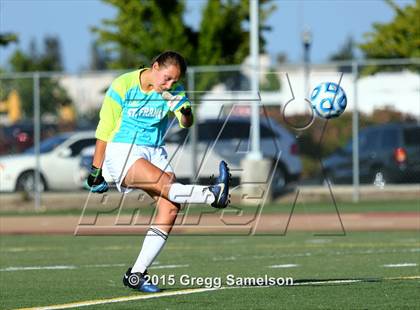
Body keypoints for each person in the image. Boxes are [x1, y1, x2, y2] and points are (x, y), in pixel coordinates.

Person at [86, 51, 231, 293]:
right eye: (166, 78)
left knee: (171, 207)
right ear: (154, 67)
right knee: (167, 186)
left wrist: (184, 112)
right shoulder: (123, 85)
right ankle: (213, 195)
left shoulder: (174, 92)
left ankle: (136, 274)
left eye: (174, 80)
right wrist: (95, 170)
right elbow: (104, 129)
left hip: (155, 151)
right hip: (123, 149)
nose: (170, 84)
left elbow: (187, 122)